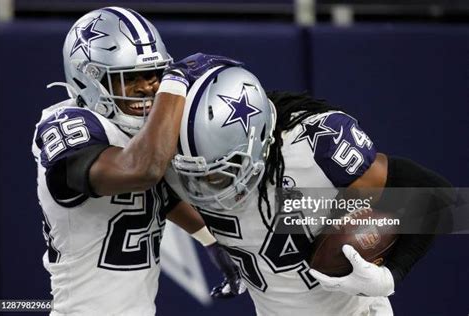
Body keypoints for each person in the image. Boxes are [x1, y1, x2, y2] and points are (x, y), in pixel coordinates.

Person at [169, 63, 454, 315]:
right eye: (199, 174)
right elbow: (162, 194)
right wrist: (209, 239)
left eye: (222, 170)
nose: (207, 186)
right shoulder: (180, 164)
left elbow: (439, 198)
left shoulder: (313, 150)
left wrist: (392, 275)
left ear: (255, 142)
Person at [32, 8, 239, 315]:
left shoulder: (138, 136)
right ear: (89, 79)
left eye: (156, 75)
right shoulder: (66, 126)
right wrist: (177, 84)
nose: (148, 87)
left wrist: (209, 238)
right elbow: (143, 171)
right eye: (130, 77)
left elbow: (157, 194)